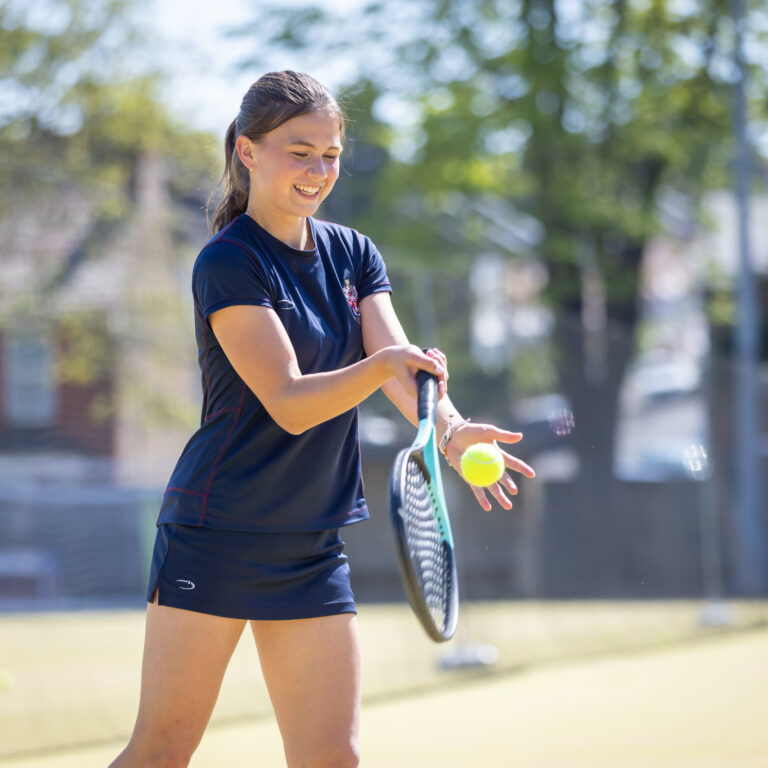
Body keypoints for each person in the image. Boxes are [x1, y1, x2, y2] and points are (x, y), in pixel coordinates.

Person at [109, 70, 535, 768]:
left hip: (311, 543)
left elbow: (400, 370)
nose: (318, 171)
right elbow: (289, 401)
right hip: (217, 532)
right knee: (162, 750)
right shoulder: (228, 261)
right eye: (300, 152)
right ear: (248, 151)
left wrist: (453, 432)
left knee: (333, 757)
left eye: (331, 155)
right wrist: (382, 364)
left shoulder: (354, 254)